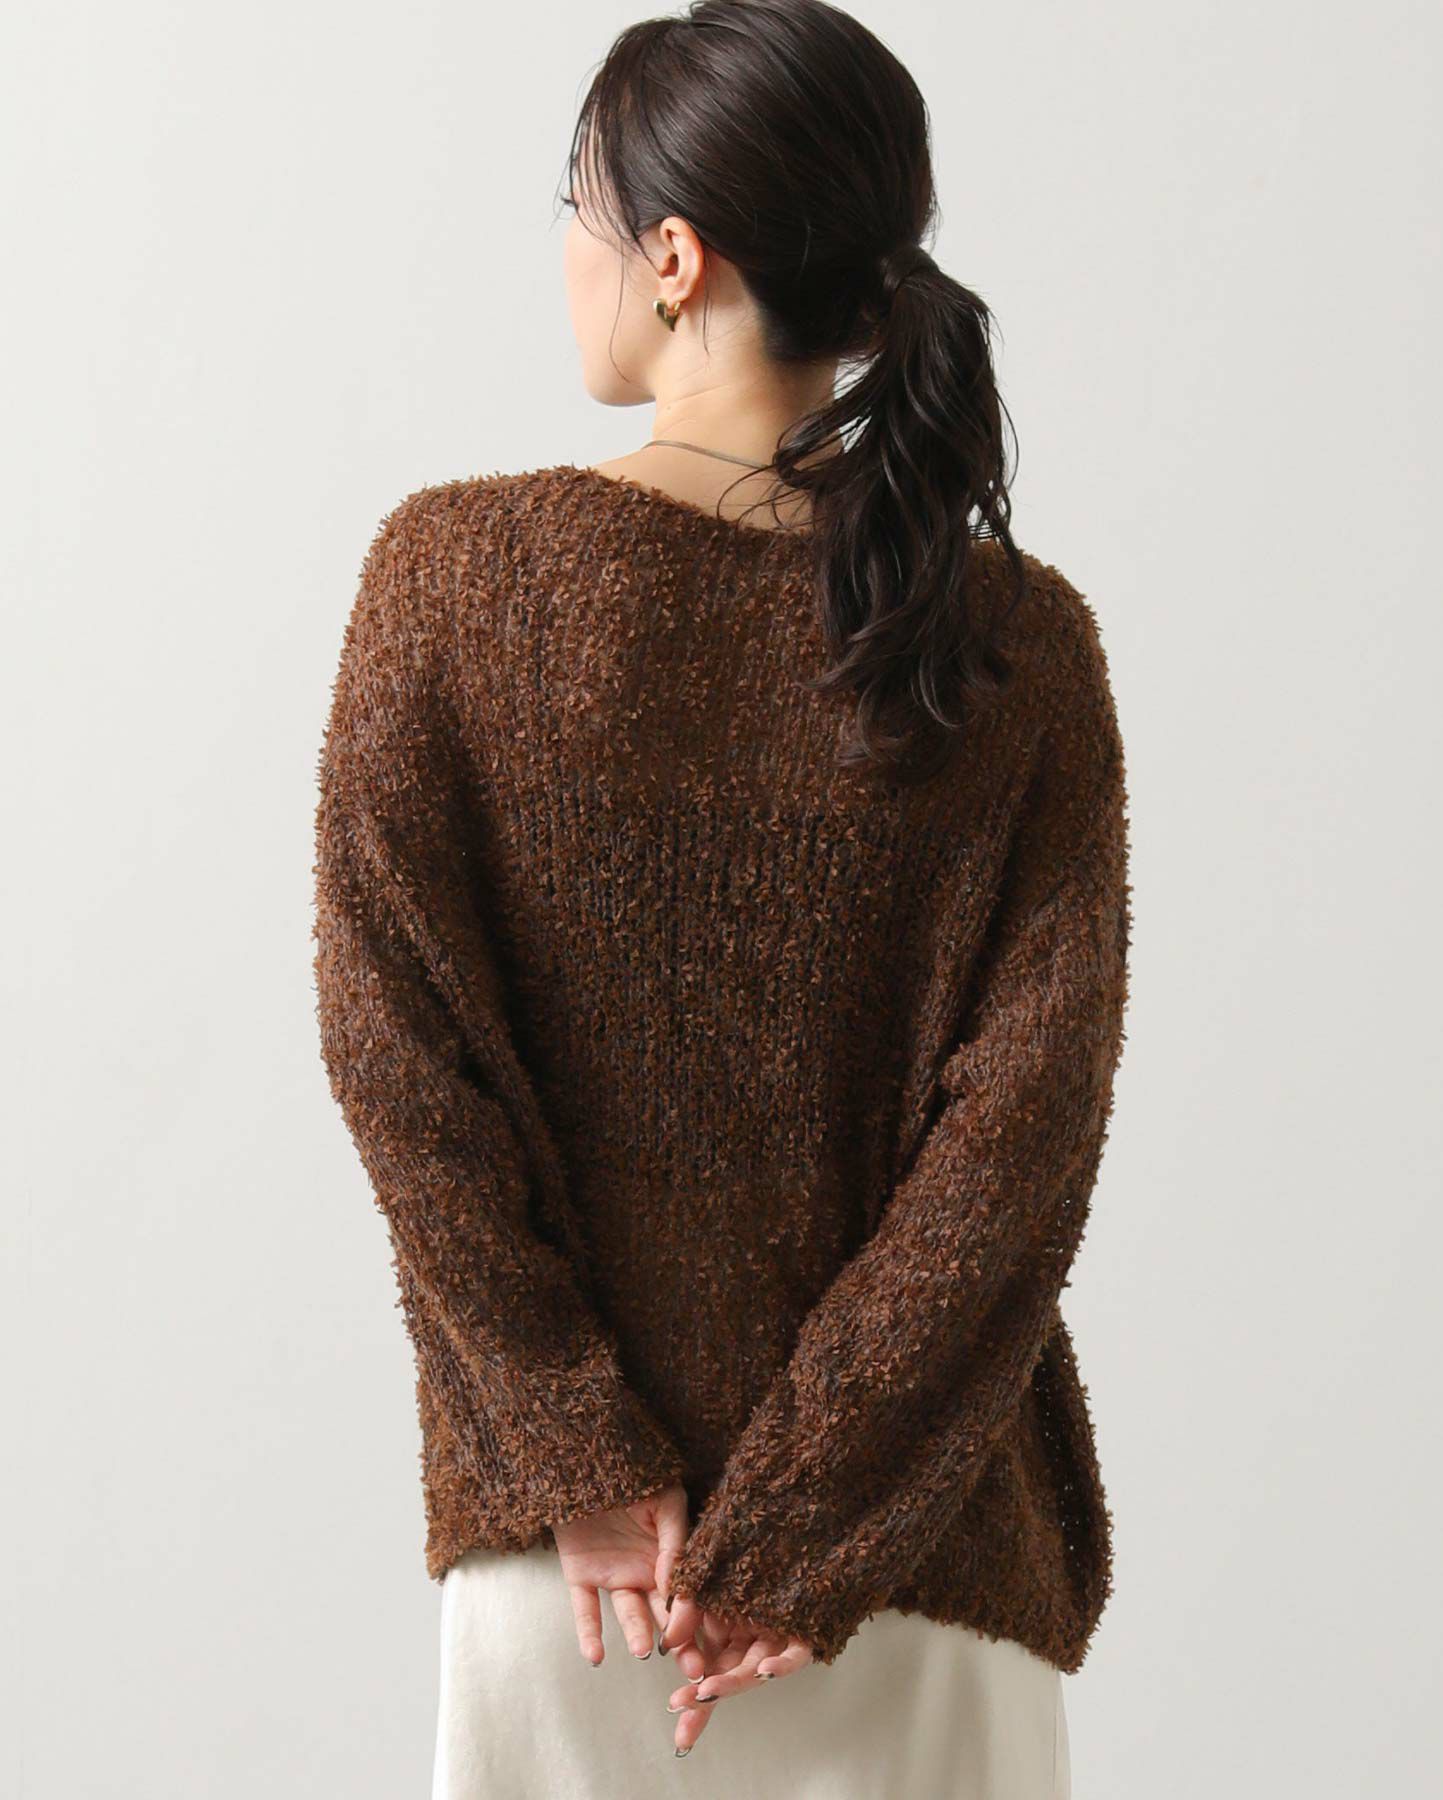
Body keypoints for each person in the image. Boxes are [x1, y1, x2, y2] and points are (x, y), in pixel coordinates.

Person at [312, 1, 1132, 1793]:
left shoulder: (449, 582)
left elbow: (396, 1057)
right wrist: (812, 1517)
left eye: (577, 208)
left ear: (674, 259)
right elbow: (1026, 1137)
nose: (566, 253)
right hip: (911, 1571)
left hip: (589, 1582)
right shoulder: (1018, 648)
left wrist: (579, 1446)